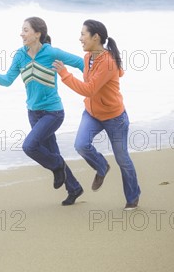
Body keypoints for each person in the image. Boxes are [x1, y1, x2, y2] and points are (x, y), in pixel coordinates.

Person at [0, 17, 85, 206]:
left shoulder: (51, 52)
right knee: (53, 151)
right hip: (33, 113)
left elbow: (80, 62)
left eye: (25, 30)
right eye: (22, 30)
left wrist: (95, 83)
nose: (21, 33)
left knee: (29, 146)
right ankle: (74, 188)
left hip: (53, 113)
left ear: (37, 34)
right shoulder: (20, 56)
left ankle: (57, 166)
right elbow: (6, 81)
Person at [53, 19, 141, 210]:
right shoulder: (88, 58)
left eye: (83, 34)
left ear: (96, 37)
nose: (80, 38)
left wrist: (64, 74)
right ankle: (102, 166)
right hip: (92, 113)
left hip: (114, 117)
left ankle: (133, 197)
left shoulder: (108, 62)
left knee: (122, 159)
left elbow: (90, 89)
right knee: (81, 145)